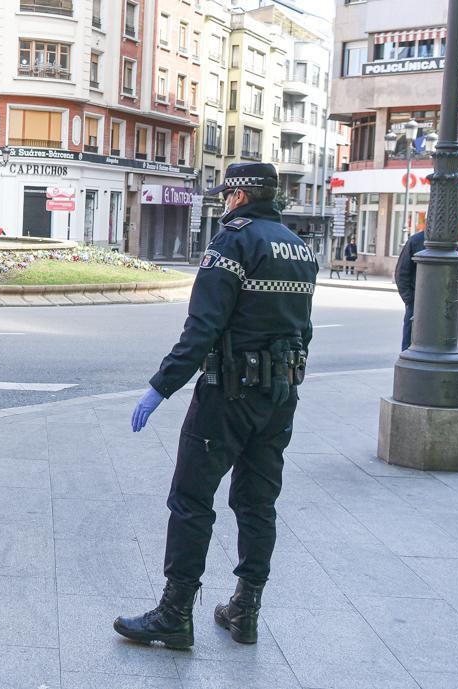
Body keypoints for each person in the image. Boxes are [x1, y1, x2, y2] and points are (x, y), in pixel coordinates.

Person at [115, 162, 316, 649]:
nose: (224, 202)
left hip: (226, 395)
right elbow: (302, 331)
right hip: (279, 396)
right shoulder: (300, 248)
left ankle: (175, 612)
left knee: (190, 500)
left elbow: (201, 329)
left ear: (241, 197)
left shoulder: (232, 243)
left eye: (228, 195)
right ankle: (245, 610)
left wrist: (160, 387)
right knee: (257, 502)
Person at [394, 230, 458, 351]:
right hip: (426, 300)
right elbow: (401, 273)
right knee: (413, 336)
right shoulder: (416, 241)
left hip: (436, 301)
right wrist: (410, 300)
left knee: (420, 337)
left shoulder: (450, 243)